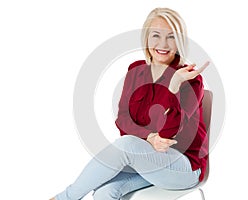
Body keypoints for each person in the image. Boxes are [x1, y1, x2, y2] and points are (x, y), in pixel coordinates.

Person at [50, 7, 209, 200]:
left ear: (180, 41)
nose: (163, 44)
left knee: (126, 145)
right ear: (146, 39)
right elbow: (123, 121)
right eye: (156, 36)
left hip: (183, 167)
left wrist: (174, 85)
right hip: (143, 159)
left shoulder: (191, 80)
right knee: (104, 192)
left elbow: (167, 137)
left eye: (171, 37)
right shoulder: (135, 71)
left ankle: (63, 198)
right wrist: (149, 137)